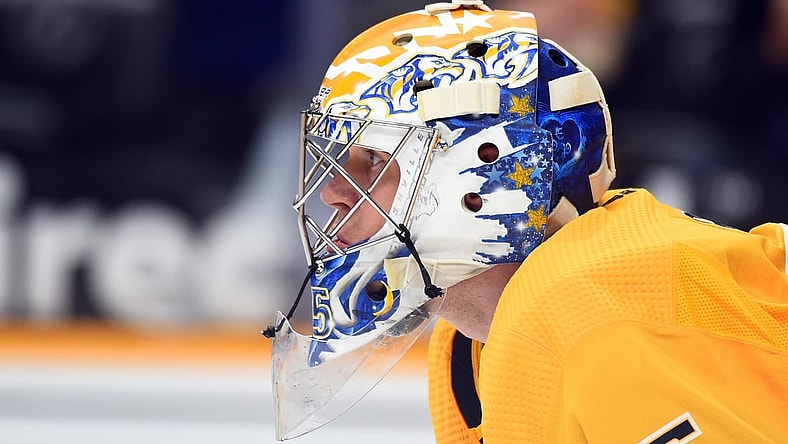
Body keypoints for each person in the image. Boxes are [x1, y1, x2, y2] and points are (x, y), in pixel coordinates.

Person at [264, 0, 788, 442]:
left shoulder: (597, 312)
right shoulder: (475, 342)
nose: (333, 192)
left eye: (375, 160)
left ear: (485, 169)